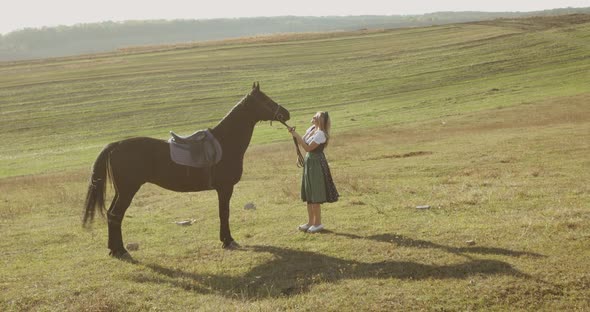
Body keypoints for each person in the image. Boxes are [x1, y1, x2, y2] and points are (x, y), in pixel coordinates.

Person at [288, 111, 339, 233]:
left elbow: (307, 147)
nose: (314, 116)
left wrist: (296, 135)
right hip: (310, 161)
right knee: (309, 193)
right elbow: (303, 142)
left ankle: (318, 223)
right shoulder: (312, 129)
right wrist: (295, 135)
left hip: (316, 163)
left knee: (315, 193)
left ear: (321, 121)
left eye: (317, 116)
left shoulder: (321, 134)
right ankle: (310, 222)